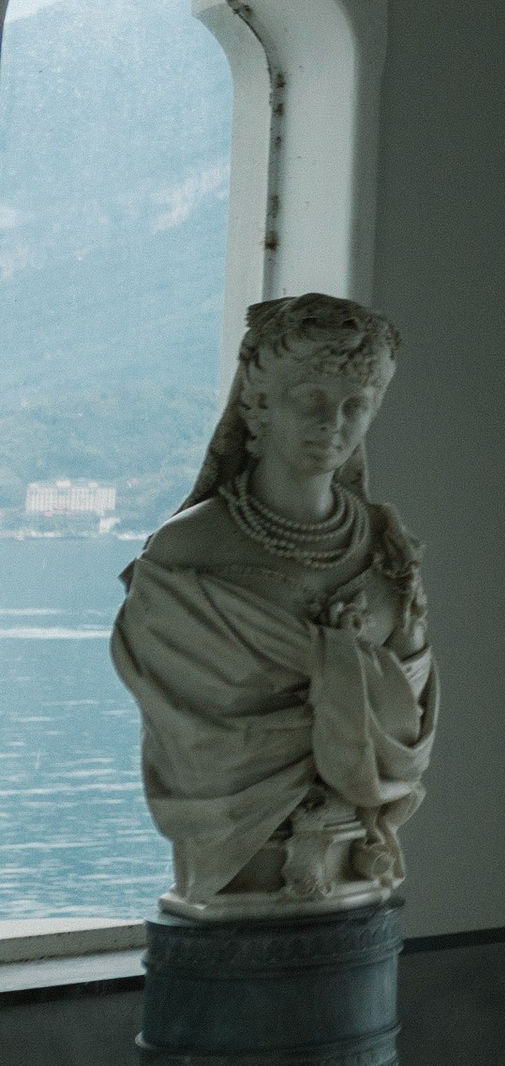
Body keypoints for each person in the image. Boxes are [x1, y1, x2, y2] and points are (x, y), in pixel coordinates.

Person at [112, 293, 436, 912]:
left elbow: (406, 706)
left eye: (354, 406)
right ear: (258, 405)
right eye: (309, 399)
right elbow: (197, 726)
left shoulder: (388, 550)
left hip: (354, 865)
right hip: (234, 867)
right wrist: (341, 666)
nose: (331, 423)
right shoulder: (187, 555)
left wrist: (336, 668)